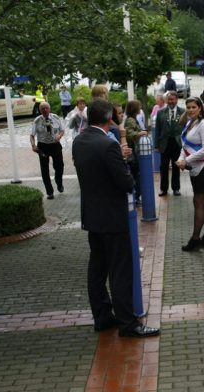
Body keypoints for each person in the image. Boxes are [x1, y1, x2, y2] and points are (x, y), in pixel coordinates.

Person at [72, 98, 159, 338]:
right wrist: (121, 158)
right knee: (120, 271)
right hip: (112, 217)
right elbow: (126, 182)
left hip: (92, 216)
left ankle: (102, 317)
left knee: (97, 270)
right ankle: (128, 323)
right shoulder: (108, 145)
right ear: (110, 119)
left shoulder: (79, 141)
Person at [176, 97, 204, 251]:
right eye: (188, 107)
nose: (191, 110)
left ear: (200, 108)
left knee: (198, 201)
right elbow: (184, 145)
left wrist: (187, 160)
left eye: (193, 107)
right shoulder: (190, 123)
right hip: (194, 167)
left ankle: (195, 239)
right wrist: (181, 159)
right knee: (203, 202)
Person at [30, 101, 65, 200]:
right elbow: (32, 135)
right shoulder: (37, 120)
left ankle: (59, 182)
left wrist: (59, 136)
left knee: (59, 166)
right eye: (42, 108)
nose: (45, 110)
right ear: (40, 110)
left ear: (49, 109)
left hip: (55, 145)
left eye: (46, 108)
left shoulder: (56, 117)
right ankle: (49, 192)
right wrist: (33, 145)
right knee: (44, 170)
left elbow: (62, 130)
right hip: (43, 146)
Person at [154, 91, 184, 196]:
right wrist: (156, 145)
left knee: (176, 166)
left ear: (177, 100)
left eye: (172, 99)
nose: (170, 101)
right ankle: (163, 189)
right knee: (164, 167)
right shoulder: (160, 112)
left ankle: (176, 188)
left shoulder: (183, 112)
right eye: (169, 99)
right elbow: (157, 129)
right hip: (164, 143)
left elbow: (186, 128)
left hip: (177, 143)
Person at [124, 100, 147, 203]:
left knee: (136, 174)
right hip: (133, 151)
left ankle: (136, 196)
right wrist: (140, 133)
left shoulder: (132, 119)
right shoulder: (130, 120)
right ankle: (136, 197)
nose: (140, 108)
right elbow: (129, 134)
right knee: (136, 174)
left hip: (135, 150)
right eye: (139, 106)